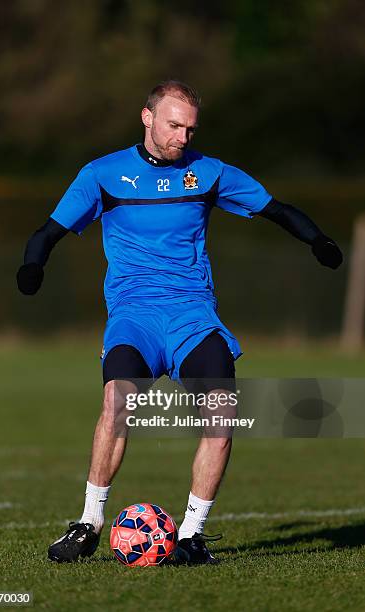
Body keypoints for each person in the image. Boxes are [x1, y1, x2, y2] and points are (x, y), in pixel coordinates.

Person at [17, 80, 342, 565]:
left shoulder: (207, 174)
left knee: (222, 414)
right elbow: (48, 232)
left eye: (190, 129)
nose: (182, 138)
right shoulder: (103, 174)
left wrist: (318, 241)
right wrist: (33, 265)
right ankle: (88, 523)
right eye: (173, 126)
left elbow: (275, 209)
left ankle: (191, 536)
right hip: (134, 316)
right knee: (117, 400)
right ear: (147, 118)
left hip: (193, 317)